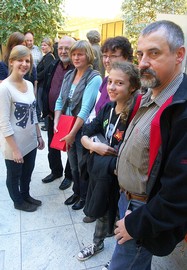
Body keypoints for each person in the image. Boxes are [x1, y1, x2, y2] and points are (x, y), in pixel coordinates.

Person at [108, 20, 187, 270]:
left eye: (154, 53)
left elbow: (180, 190)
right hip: (129, 202)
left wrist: (136, 222)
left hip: (143, 211)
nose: (142, 63)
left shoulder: (181, 110)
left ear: (179, 55)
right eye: (141, 54)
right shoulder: (149, 94)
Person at [77, 61, 141, 262]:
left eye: (119, 83)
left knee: (121, 220)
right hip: (104, 176)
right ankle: (97, 243)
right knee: (102, 212)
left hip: (124, 182)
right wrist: (93, 146)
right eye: (110, 81)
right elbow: (86, 132)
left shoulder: (136, 114)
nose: (111, 87)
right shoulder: (107, 108)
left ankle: (116, 260)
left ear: (132, 87)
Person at [83, 36, 134, 224]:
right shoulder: (106, 81)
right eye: (104, 55)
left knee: (111, 202)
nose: (107, 60)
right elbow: (96, 114)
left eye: (113, 55)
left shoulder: (135, 102)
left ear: (127, 58)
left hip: (115, 161)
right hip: (99, 144)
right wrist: (89, 142)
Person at [54, 40, 102, 210]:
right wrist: (56, 123)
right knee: (72, 162)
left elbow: (85, 109)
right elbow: (60, 100)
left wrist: (73, 133)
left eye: (80, 54)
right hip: (67, 126)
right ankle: (76, 192)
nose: (75, 57)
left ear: (88, 55)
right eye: (74, 54)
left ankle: (84, 196)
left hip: (81, 128)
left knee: (83, 165)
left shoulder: (94, 77)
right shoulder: (69, 75)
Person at [0, 45, 45, 212]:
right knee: (14, 175)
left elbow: (33, 112)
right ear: (11, 62)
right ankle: (18, 202)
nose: (24, 64)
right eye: (20, 60)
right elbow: (3, 122)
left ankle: (25, 195)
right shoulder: (4, 88)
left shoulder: (28, 84)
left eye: (28, 60)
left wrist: (39, 136)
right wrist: (15, 150)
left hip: (30, 140)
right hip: (14, 144)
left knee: (27, 172)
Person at [41, 36, 76, 190]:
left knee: (70, 149)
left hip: (70, 118)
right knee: (52, 146)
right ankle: (56, 171)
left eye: (67, 48)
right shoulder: (54, 64)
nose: (63, 51)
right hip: (51, 115)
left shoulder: (78, 69)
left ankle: (69, 176)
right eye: (60, 48)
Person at [36, 37, 55, 129]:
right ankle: (46, 124)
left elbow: (46, 71)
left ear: (50, 46)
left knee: (43, 104)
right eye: (42, 45)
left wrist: (36, 76)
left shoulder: (49, 57)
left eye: (45, 45)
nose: (43, 47)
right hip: (41, 84)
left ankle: (48, 125)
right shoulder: (45, 56)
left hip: (43, 84)